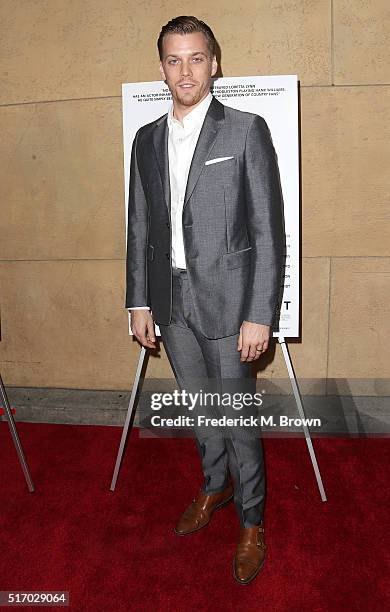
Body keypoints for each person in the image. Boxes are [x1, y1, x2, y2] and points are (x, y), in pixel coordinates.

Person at [126, 15, 285, 585]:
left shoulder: (245, 129)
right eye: (174, 59)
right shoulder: (146, 139)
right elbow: (139, 226)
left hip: (230, 301)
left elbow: (269, 231)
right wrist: (138, 302)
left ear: (214, 62)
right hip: (170, 300)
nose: (185, 70)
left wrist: (259, 313)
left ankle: (252, 518)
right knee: (198, 405)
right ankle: (215, 488)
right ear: (161, 67)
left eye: (197, 58)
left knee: (236, 414)